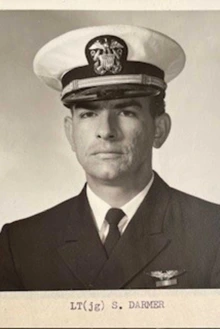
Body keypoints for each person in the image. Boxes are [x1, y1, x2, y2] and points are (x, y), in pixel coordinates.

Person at [0, 24, 220, 291]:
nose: (106, 131)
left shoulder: (212, 232)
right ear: (70, 133)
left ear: (159, 129)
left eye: (126, 112)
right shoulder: (21, 245)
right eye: (88, 114)